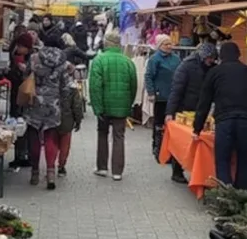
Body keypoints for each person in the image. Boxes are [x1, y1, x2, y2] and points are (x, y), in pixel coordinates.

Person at [193, 41, 247, 192]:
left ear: (221, 56)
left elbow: (204, 102)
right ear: (238, 55)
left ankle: (226, 196)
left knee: (223, 159)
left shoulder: (214, 72)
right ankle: (242, 196)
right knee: (244, 159)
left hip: (224, 121)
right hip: (246, 121)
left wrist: (197, 128)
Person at [164, 42, 218, 183]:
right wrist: (170, 112)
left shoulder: (213, 67)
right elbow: (176, 90)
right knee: (181, 141)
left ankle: (199, 171)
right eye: (209, 58)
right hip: (185, 108)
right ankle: (177, 171)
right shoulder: (186, 66)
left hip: (204, 109)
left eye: (213, 58)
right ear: (202, 56)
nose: (211, 61)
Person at [89, 30, 137, 181]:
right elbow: (133, 85)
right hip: (121, 105)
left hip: (104, 105)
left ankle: (102, 167)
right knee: (119, 137)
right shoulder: (128, 61)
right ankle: (117, 172)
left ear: (106, 43)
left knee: (102, 134)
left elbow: (95, 87)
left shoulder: (99, 60)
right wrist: (128, 103)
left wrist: (97, 108)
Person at [24, 43, 73, 190]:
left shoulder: (34, 59)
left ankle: (34, 173)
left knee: (34, 137)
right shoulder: (63, 63)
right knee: (51, 136)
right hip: (54, 104)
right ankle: (51, 173)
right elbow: (65, 87)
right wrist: (62, 101)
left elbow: (26, 77)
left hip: (35, 103)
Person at [144, 34, 181, 163]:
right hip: (161, 96)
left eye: (170, 43)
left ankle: (171, 149)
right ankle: (158, 148)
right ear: (160, 46)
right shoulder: (155, 59)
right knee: (159, 123)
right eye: (166, 44)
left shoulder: (176, 59)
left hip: (174, 96)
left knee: (172, 124)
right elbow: (148, 76)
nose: (169, 46)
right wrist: (151, 92)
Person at [7, 30, 37, 169]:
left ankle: (28, 156)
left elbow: (34, 78)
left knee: (27, 126)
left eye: (21, 46)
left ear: (27, 47)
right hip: (16, 95)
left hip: (27, 96)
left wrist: (24, 71)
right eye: (18, 46)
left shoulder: (33, 58)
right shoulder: (15, 56)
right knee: (16, 124)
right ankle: (18, 155)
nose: (18, 48)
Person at [55, 81, 85, 176]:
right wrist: (78, 120)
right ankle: (61, 166)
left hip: (51, 119)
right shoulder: (72, 88)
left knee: (51, 143)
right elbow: (77, 106)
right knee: (65, 145)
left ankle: (50, 166)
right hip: (66, 121)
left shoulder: (50, 84)